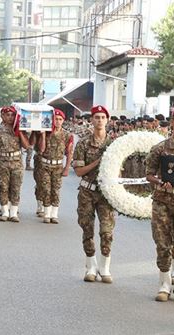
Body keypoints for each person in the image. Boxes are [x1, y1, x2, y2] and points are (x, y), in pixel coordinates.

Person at [145, 107, 174, 303]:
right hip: (163, 201)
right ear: (172, 123)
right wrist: (158, 182)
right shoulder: (160, 148)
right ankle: (164, 284)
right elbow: (149, 174)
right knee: (163, 244)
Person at [73, 105, 115, 283]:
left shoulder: (115, 144)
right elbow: (79, 171)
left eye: (102, 117)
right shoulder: (83, 142)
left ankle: (105, 267)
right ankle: (91, 265)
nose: (99, 120)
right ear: (92, 120)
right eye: (96, 117)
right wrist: (99, 161)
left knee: (107, 231)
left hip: (106, 193)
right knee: (87, 228)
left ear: (107, 120)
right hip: (87, 191)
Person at [0, 106, 30, 222]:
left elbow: (27, 146)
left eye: (12, 115)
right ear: (2, 116)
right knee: (3, 187)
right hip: (3, 161)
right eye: (7, 115)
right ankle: (5, 211)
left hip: (17, 162)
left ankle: (13, 212)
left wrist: (19, 132)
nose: (10, 117)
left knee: (16, 187)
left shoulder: (19, 129)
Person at [34, 109, 73, 224]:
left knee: (55, 190)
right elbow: (41, 149)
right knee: (46, 189)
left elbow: (69, 152)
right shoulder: (46, 132)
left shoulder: (67, 135)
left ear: (63, 121)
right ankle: (46, 213)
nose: (58, 121)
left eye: (60, 119)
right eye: (56, 119)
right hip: (45, 164)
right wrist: (43, 135)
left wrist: (66, 168)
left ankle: (54, 214)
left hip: (58, 166)